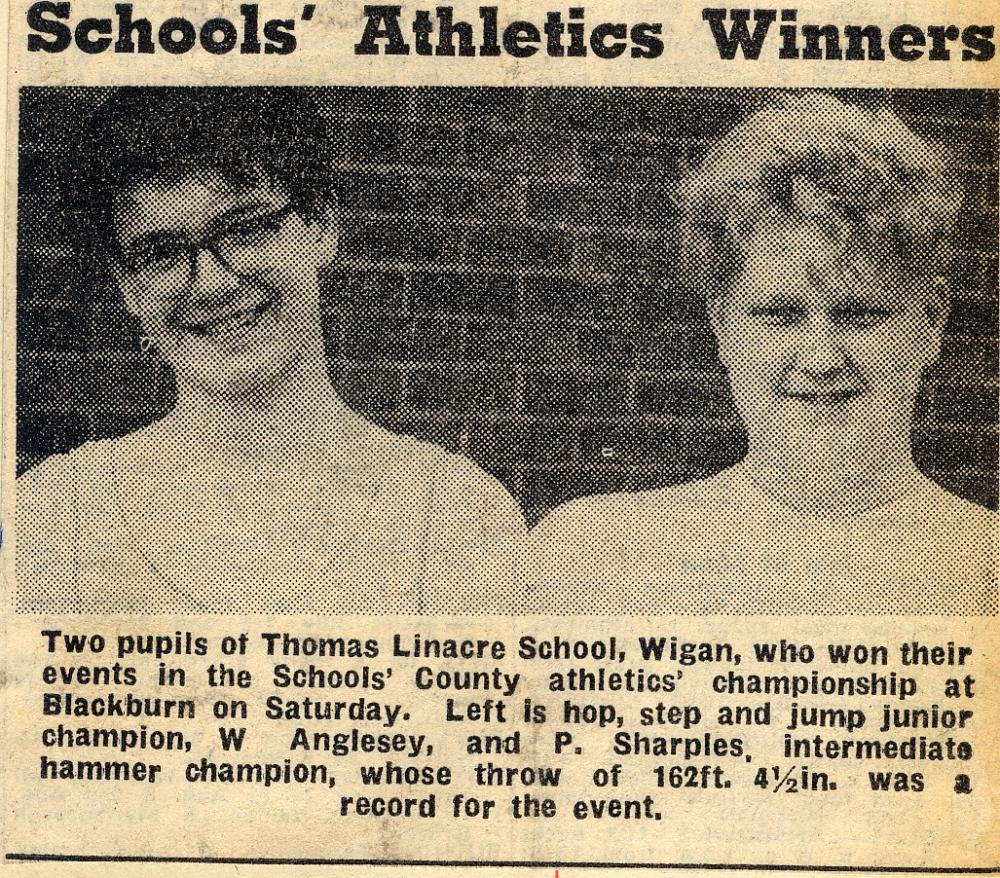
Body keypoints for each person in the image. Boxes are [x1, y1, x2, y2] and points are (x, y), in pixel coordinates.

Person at [17, 87, 525, 614]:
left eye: (245, 229)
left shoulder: (452, 513)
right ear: (128, 286)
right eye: (161, 253)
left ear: (321, 225)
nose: (210, 283)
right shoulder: (57, 517)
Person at [527, 93, 996, 615]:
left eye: (859, 314)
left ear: (930, 322)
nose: (820, 359)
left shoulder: (982, 560)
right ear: (723, 324)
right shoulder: (602, 552)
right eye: (780, 314)